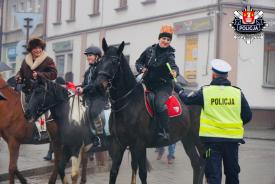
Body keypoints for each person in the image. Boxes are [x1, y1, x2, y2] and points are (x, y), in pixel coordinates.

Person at [174, 59, 252, 184]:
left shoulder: (206, 92)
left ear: (214, 75)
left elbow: (186, 100)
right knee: (232, 175)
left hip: (211, 143)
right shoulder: (237, 93)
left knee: (213, 176)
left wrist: (178, 89)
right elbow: (248, 116)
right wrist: (234, 124)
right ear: (227, 75)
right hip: (232, 142)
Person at [135, 25, 179, 140]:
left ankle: (164, 131)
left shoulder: (170, 54)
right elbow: (138, 62)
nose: (165, 41)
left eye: (168, 40)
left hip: (163, 86)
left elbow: (174, 66)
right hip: (147, 84)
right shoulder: (149, 50)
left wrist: (174, 72)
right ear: (159, 38)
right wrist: (141, 69)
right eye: (164, 38)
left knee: (159, 105)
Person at [76, 45, 108, 149]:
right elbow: (85, 83)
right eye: (87, 56)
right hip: (89, 98)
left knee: (92, 112)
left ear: (97, 56)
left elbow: (96, 83)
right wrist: (78, 87)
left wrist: (84, 89)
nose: (88, 57)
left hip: (99, 98)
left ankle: (100, 138)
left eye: (90, 55)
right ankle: (87, 138)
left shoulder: (101, 68)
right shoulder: (89, 70)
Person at [15, 37, 57, 102]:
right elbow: (21, 71)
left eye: (40, 48)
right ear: (31, 49)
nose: (38, 50)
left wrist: (39, 75)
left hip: (43, 93)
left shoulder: (48, 60)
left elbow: (54, 74)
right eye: (35, 48)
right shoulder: (25, 61)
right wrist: (19, 76)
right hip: (27, 91)